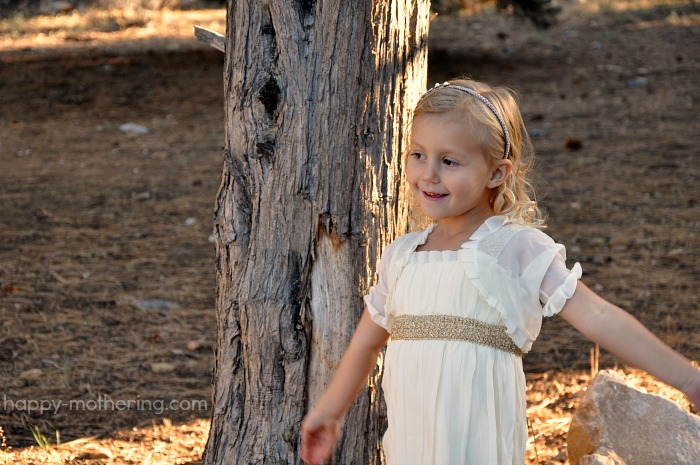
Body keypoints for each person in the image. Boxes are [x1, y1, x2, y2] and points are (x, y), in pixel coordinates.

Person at [300, 78, 700, 465]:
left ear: (496, 173)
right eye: (417, 154)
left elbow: (597, 316)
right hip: (412, 439)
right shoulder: (401, 256)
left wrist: (687, 379)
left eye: (449, 160)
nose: (429, 174)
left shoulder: (513, 246)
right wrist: (330, 412)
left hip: (479, 436)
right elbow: (366, 344)